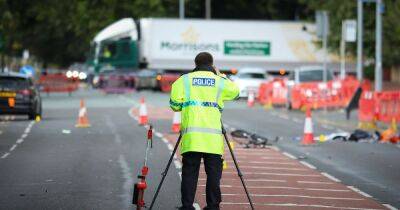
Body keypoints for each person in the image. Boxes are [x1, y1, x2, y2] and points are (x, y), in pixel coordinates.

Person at [170, 52, 239, 210]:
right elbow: (236, 93)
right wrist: (221, 75)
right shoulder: (219, 81)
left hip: (192, 138)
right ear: (212, 64)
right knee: (214, 174)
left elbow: (174, 104)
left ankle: (187, 206)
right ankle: (213, 206)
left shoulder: (184, 80)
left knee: (189, 173)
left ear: (195, 64)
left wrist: (186, 106)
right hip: (213, 140)